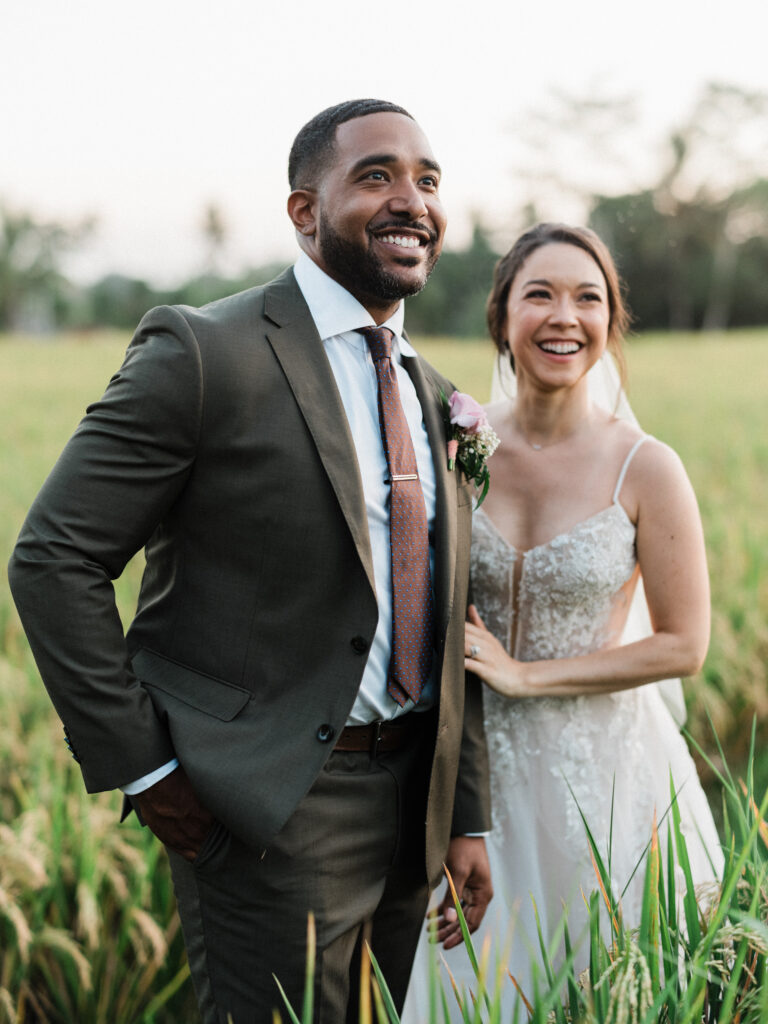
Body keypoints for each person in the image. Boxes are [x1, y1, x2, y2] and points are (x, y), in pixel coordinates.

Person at [7, 99, 494, 1023]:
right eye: (377, 175)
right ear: (304, 212)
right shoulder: (204, 351)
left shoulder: (436, 395)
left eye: (428, 181)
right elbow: (53, 558)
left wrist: (461, 809)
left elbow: (445, 618)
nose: (412, 200)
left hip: (411, 816)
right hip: (270, 808)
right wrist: (146, 772)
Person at [402, 223, 723, 1019]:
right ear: (501, 316)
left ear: (611, 323)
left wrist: (524, 674)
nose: (563, 316)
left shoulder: (646, 466)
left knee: (611, 986)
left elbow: (685, 644)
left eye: (588, 298)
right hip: (472, 774)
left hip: (608, 777)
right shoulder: (454, 445)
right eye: (538, 294)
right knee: (475, 993)